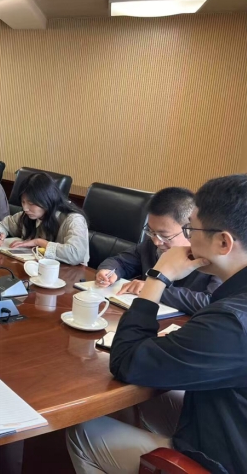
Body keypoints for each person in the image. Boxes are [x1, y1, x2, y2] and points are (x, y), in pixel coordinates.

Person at [66, 174, 247, 474]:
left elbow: (125, 360)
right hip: (224, 415)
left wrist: (158, 277)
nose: (187, 237)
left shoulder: (231, 322)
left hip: (222, 459)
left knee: (84, 433)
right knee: (149, 398)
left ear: (223, 242)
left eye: (191, 229)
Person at [95, 187, 221, 314]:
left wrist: (153, 287)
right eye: (151, 232)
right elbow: (121, 262)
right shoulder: (151, 246)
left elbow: (211, 302)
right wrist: (108, 271)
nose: (156, 241)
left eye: (164, 236)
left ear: (190, 229)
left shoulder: (214, 259)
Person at [0, 173, 89, 265]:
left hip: (69, 274)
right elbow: (2, 224)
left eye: (31, 203)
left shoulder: (74, 220)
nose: (25, 208)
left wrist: (38, 242)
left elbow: (75, 254)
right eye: (23, 202)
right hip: (35, 269)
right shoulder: (29, 215)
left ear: (47, 199)